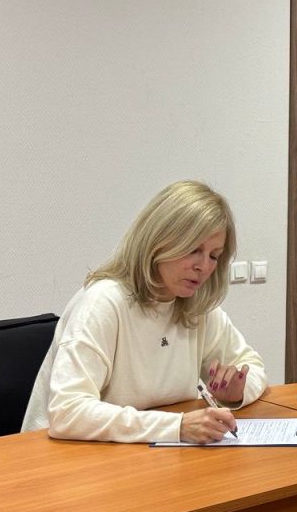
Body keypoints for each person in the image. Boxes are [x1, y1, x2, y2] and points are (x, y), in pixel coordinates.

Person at [22, 180, 268, 444]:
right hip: (62, 455)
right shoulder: (103, 302)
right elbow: (67, 412)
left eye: (214, 255)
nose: (204, 266)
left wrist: (237, 391)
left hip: (144, 451)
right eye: (193, 249)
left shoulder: (198, 307)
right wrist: (177, 426)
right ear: (158, 241)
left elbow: (253, 367)